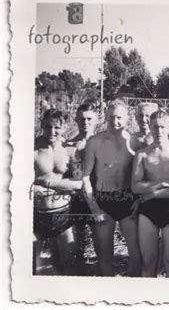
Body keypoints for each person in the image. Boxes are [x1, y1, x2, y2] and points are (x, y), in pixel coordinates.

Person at [82, 100, 142, 277]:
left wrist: (138, 200)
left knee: (135, 253)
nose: (115, 121)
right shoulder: (95, 141)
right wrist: (94, 208)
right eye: (111, 117)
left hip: (127, 199)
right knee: (105, 255)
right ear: (105, 117)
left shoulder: (134, 141)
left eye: (119, 117)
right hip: (103, 200)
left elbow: (139, 174)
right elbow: (85, 177)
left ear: (126, 118)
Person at [131, 111, 169, 277]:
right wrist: (164, 183)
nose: (159, 131)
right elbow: (135, 187)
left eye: (162, 126)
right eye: (155, 126)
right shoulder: (142, 154)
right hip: (148, 211)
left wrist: (152, 194)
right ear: (149, 127)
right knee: (148, 263)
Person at [33, 109, 82, 275]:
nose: (52, 132)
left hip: (62, 214)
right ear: (42, 125)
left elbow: (78, 184)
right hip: (36, 214)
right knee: (34, 267)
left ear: (65, 128)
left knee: (68, 263)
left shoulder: (71, 151)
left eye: (57, 128)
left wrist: (44, 181)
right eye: (47, 127)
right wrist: (61, 184)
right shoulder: (31, 148)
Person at [66, 104, 98, 275]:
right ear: (76, 120)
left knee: (99, 235)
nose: (85, 122)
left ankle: (101, 266)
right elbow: (76, 176)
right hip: (78, 195)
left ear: (96, 120)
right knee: (79, 235)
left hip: (98, 195)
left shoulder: (102, 140)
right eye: (82, 119)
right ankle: (80, 268)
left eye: (89, 119)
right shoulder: (70, 144)